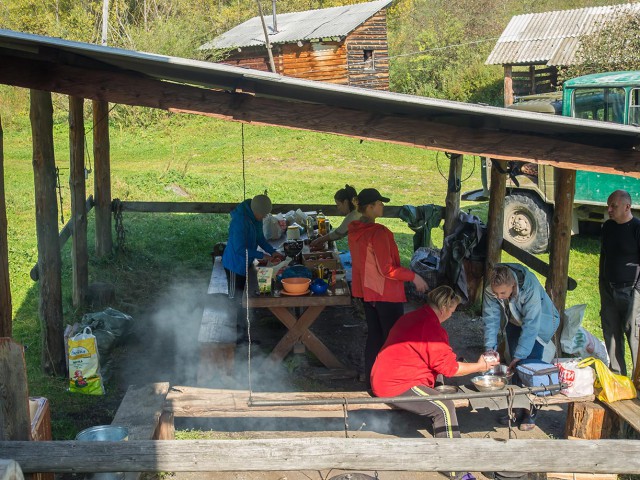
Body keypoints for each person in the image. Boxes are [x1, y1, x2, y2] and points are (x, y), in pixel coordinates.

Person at [371, 286, 498, 477]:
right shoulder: (429, 327)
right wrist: (480, 366)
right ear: (445, 307)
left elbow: (437, 361)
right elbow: (451, 369)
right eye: (453, 311)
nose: (452, 315)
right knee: (444, 407)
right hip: (394, 383)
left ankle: (445, 439)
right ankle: (454, 467)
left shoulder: (416, 316)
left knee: (440, 386)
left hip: (388, 374)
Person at [348, 188, 428, 385]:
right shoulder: (379, 233)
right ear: (370, 207)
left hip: (368, 294)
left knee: (375, 337)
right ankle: (392, 382)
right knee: (393, 339)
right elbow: (387, 269)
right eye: (380, 203)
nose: (383, 206)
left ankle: (372, 380)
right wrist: (414, 277)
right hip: (386, 294)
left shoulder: (354, 230)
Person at [483, 263, 560, 430]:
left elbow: (532, 324)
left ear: (513, 285)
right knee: (515, 366)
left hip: (540, 323)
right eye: (496, 293)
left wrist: (521, 354)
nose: (499, 296)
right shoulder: (492, 289)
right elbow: (491, 319)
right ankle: (516, 409)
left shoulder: (529, 285)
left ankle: (530, 413)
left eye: (503, 293)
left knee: (530, 365)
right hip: (515, 320)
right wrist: (490, 348)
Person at [222, 194, 283, 343]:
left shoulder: (255, 217)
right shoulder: (239, 222)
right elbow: (238, 249)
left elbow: (260, 238)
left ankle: (243, 336)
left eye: (265, 215)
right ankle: (234, 339)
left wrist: (272, 251)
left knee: (244, 299)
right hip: (234, 266)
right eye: (262, 215)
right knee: (236, 300)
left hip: (246, 263)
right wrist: (261, 255)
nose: (263, 218)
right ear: (255, 210)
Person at [599, 189, 640, 377]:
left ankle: (638, 380)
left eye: (613, 206)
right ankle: (618, 378)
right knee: (612, 335)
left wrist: (637, 292)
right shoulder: (608, 227)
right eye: (608, 205)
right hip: (609, 289)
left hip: (632, 290)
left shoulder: (636, 228)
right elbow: (604, 255)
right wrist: (602, 284)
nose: (609, 209)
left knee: (635, 337)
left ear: (627, 206)